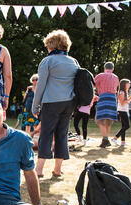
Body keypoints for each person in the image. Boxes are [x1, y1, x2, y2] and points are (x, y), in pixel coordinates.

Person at [32, 30, 79, 178]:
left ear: (51, 45)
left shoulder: (47, 61)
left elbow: (40, 86)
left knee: (46, 134)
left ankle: (39, 170)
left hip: (51, 102)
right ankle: (57, 169)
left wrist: (35, 105)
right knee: (62, 135)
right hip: (69, 103)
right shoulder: (74, 61)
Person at [94, 62, 120, 148]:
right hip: (112, 98)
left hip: (103, 97)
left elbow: (93, 86)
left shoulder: (100, 75)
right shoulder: (116, 77)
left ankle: (105, 139)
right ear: (112, 69)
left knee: (100, 119)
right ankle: (105, 140)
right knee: (108, 121)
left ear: (104, 68)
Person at [112, 79, 131, 146]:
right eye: (128, 83)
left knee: (123, 126)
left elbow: (125, 102)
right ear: (124, 84)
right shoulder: (121, 92)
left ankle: (123, 142)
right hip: (122, 110)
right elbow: (122, 103)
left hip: (124, 110)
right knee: (127, 126)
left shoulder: (125, 92)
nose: (129, 85)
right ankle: (115, 138)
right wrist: (130, 99)